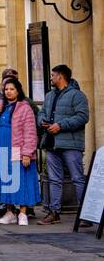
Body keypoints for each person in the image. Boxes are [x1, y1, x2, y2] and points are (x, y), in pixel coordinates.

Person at [38, 64, 89, 226]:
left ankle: (86, 214)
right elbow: (41, 113)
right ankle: (54, 212)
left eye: (53, 75)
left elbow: (82, 117)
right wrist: (42, 122)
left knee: (77, 178)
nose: (51, 77)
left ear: (60, 76)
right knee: (54, 179)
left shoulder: (77, 95)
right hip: (52, 143)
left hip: (71, 145)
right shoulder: (49, 95)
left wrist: (61, 125)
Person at [0, 76, 40, 228]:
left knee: (21, 179)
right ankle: (10, 212)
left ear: (18, 91)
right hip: (2, 146)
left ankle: (22, 212)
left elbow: (30, 132)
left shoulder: (25, 107)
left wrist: (27, 153)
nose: (8, 92)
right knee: (6, 179)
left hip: (17, 147)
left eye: (12, 89)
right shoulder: (0, 104)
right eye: (6, 89)